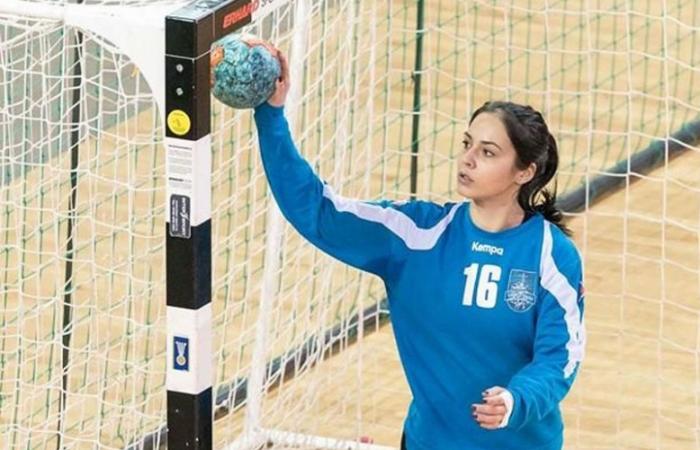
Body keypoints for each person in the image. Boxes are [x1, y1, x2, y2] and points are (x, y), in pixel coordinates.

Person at [251, 47, 586, 450]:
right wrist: (271, 114)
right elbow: (317, 210)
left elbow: (560, 357)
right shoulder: (415, 235)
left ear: (524, 172)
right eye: (467, 144)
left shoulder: (551, 255)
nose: (467, 159)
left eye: (487, 152)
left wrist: (517, 400)